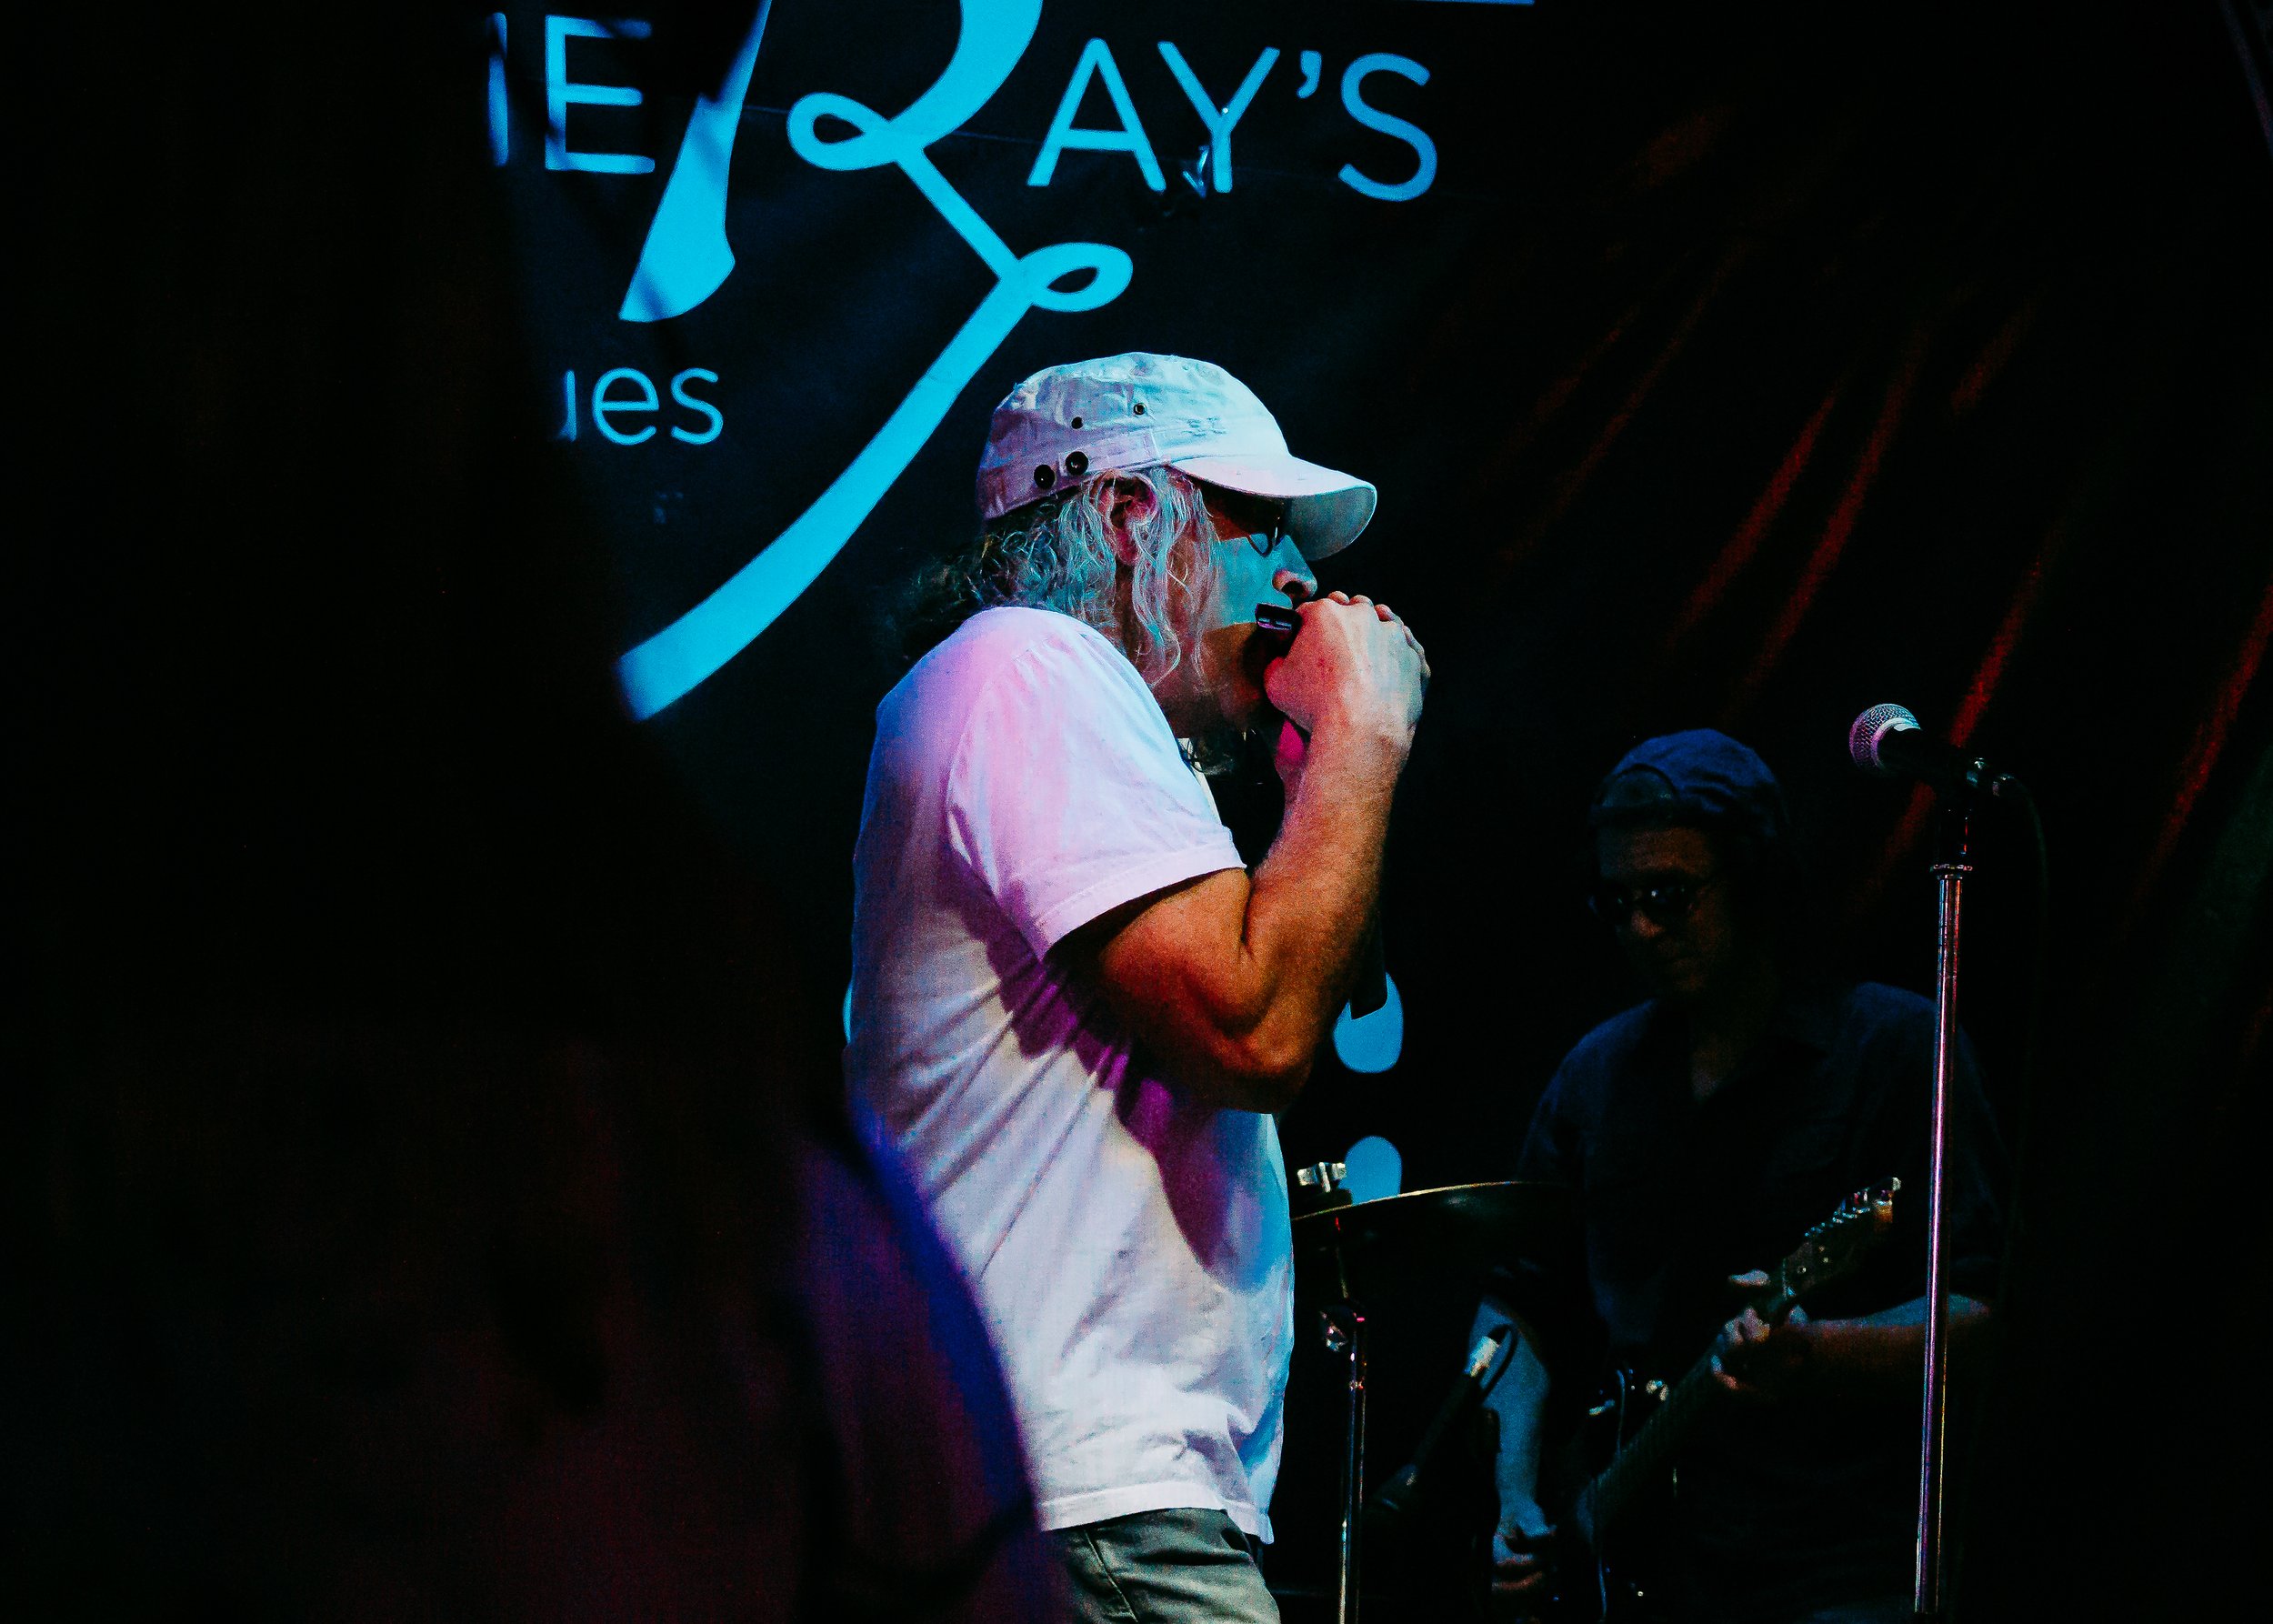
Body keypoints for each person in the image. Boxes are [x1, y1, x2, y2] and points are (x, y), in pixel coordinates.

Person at [846, 352, 1429, 1622]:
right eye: (1258, 526)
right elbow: (1255, 1028)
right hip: (1087, 1493)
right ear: (1124, 516)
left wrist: (1311, 777)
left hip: (1072, 1491)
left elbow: (1310, 982)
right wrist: (1367, 735)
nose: (1298, 578)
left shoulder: (1043, 698)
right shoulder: (1030, 668)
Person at [1474, 731, 2005, 1624]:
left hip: (1837, 1571)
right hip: (1632, 1573)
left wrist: (1818, 1354)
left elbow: (1979, 1312)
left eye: (1670, 896)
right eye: (1618, 902)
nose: (1642, 928)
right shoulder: (1594, 1077)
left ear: (1755, 881)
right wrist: (1516, 1493)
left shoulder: (1896, 1049)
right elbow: (1515, 1311)